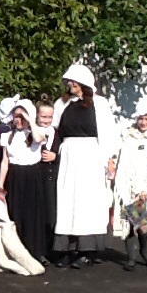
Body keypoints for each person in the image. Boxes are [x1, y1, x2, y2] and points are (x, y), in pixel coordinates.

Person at [51, 64, 117, 268]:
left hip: (90, 155)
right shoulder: (62, 104)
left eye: (73, 81)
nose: (69, 84)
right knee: (67, 201)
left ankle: (85, 250)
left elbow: (109, 133)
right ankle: (66, 248)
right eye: (68, 81)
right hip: (68, 155)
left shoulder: (99, 104)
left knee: (86, 202)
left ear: (82, 83)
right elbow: (54, 131)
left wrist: (110, 159)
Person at [116, 104, 147, 271]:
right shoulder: (129, 137)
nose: (143, 123)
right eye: (141, 119)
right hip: (129, 186)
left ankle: (144, 252)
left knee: (141, 222)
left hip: (146, 187)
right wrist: (124, 187)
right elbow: (123, 163)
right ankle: (131, 257)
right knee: (129, 222)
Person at [0, 99, 49, 264]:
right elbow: (5, 161)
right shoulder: (8, 135)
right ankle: (15, 251)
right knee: (15, 212)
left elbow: (38, 138)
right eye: (16, 116)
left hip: (32, 175)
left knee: (33, 214)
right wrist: (0, 185)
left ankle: (35, 251)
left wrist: (30, 120)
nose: (18, 120)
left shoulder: (37, 132)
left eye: (21, 116)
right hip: (15, 175)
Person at [36, 97, 60, 261]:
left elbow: (66, 154)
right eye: (43, 117)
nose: (46, 120)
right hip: (36, 178)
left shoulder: (58, 134)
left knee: (51, 216)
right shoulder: (30, 131)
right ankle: (38, 250)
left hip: (52, 179)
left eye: (49, 117)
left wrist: (55, 156)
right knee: (37, 214)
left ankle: (50, 249)